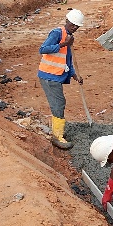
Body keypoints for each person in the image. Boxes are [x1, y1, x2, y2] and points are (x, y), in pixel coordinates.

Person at [37, 9, 85, 150]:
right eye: (72, 24)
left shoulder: (69, 36)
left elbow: (66, 59)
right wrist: (63, 44)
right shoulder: (57, 33)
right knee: (58, 103)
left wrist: (74, 74)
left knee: (59, 103)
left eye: (77, 26)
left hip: (56, 76)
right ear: (67, 21)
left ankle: (57, 132)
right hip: (49, 76)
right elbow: (43, 49)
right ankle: (57, 137)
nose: (74, 27)